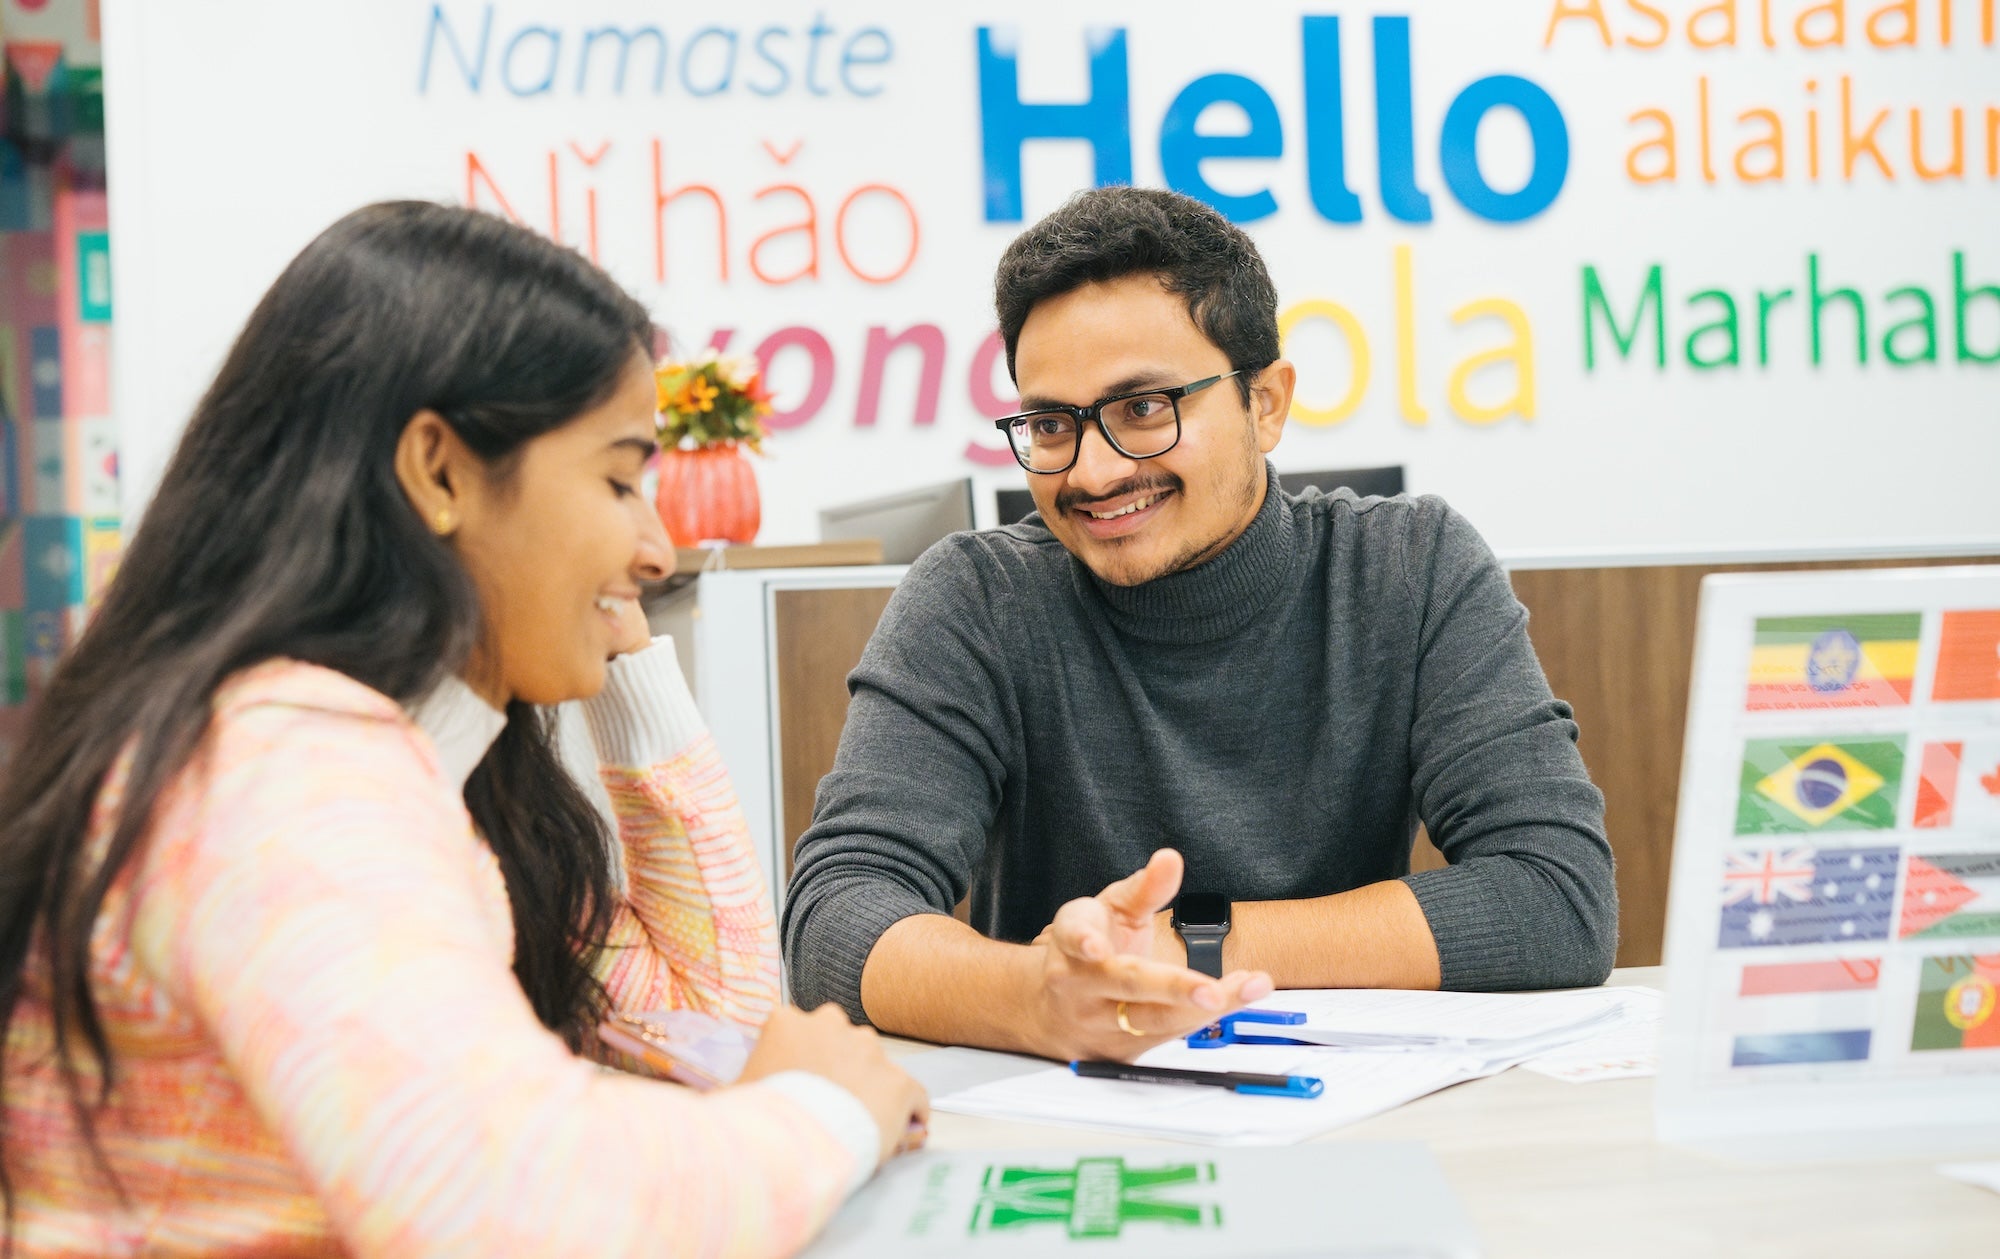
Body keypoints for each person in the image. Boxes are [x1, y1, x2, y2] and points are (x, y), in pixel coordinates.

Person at [0, 201, 926, 1257]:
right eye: (620, 479)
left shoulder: (429, 773)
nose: (658, 548)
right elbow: (515, 1209)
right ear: (439, 471)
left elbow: (705, 1018)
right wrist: (822, 1110)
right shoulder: (284, 772)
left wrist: (621, 662)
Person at [784, 186, 1618, 1063]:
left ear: (1266, 403)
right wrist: (1039, 998)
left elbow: (1557, 894)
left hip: (1347, 1107)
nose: (1093, 470)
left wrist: (1184, 949)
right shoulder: (976, 601)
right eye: (1051, 423)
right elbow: (834, 912)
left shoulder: (1410, 569)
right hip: (1069, 1120)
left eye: (1144, 408)